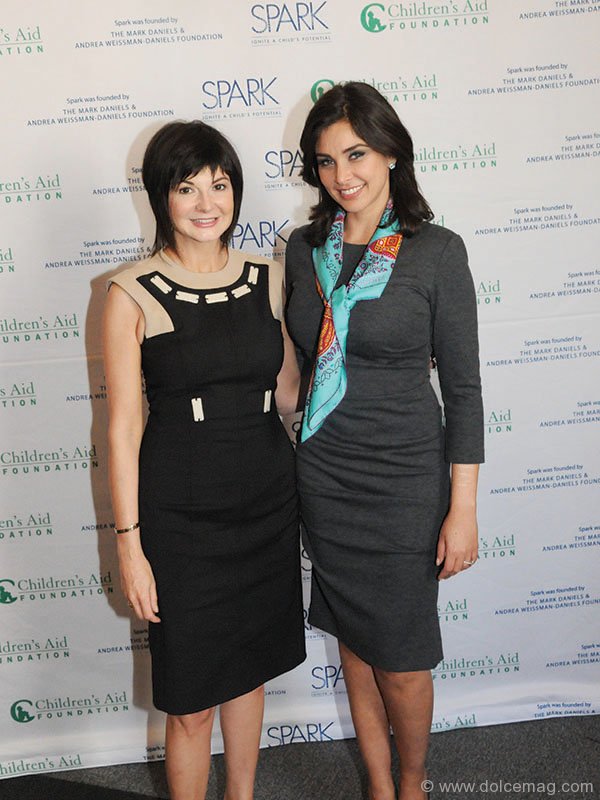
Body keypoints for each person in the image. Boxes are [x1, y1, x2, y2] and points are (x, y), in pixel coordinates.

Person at [285, 82, 484, 800]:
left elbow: (464, 392)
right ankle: (378, 785)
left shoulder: (437, 253)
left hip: (404, 482)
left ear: (392, 152)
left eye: (357, 154)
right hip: (326, 476)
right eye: (326, 160)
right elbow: (295, 373)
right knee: (356, 648)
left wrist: (462, 508)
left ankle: (413, 784)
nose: (342, 175)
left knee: (400, 660)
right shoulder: (305, 250)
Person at [103, 120, 305, 800]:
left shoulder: (269, 277)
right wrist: (129, 545)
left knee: (249, 674)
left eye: (219, 185)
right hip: (181, 520)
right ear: (162, 195)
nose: (206, 203)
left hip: (268, 504)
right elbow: (122, 428)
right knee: (190, 703)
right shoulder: (129, 292)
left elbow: (289, 392)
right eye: (187, 187)